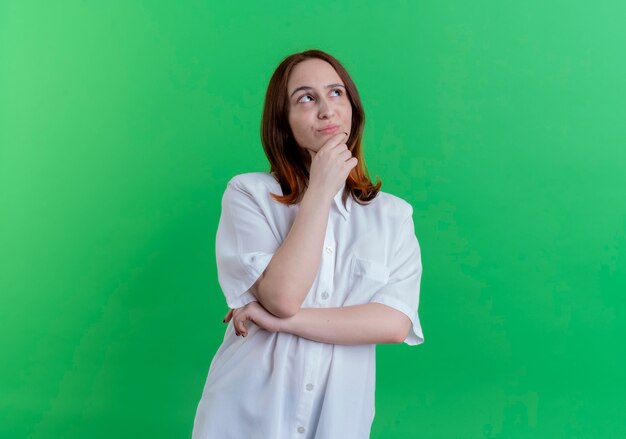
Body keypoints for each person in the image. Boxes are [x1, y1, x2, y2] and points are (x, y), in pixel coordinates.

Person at [192, 49, 424, 439]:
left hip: (338, 420)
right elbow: (283, 296)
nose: (326, 110)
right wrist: (319, 192)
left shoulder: (393, 216)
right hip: (246, 412)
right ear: (282, 121)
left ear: (353, 109)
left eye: (336, 93)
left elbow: (394, 323)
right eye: (306, 98)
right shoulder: (249, 193)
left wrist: (279, 321)